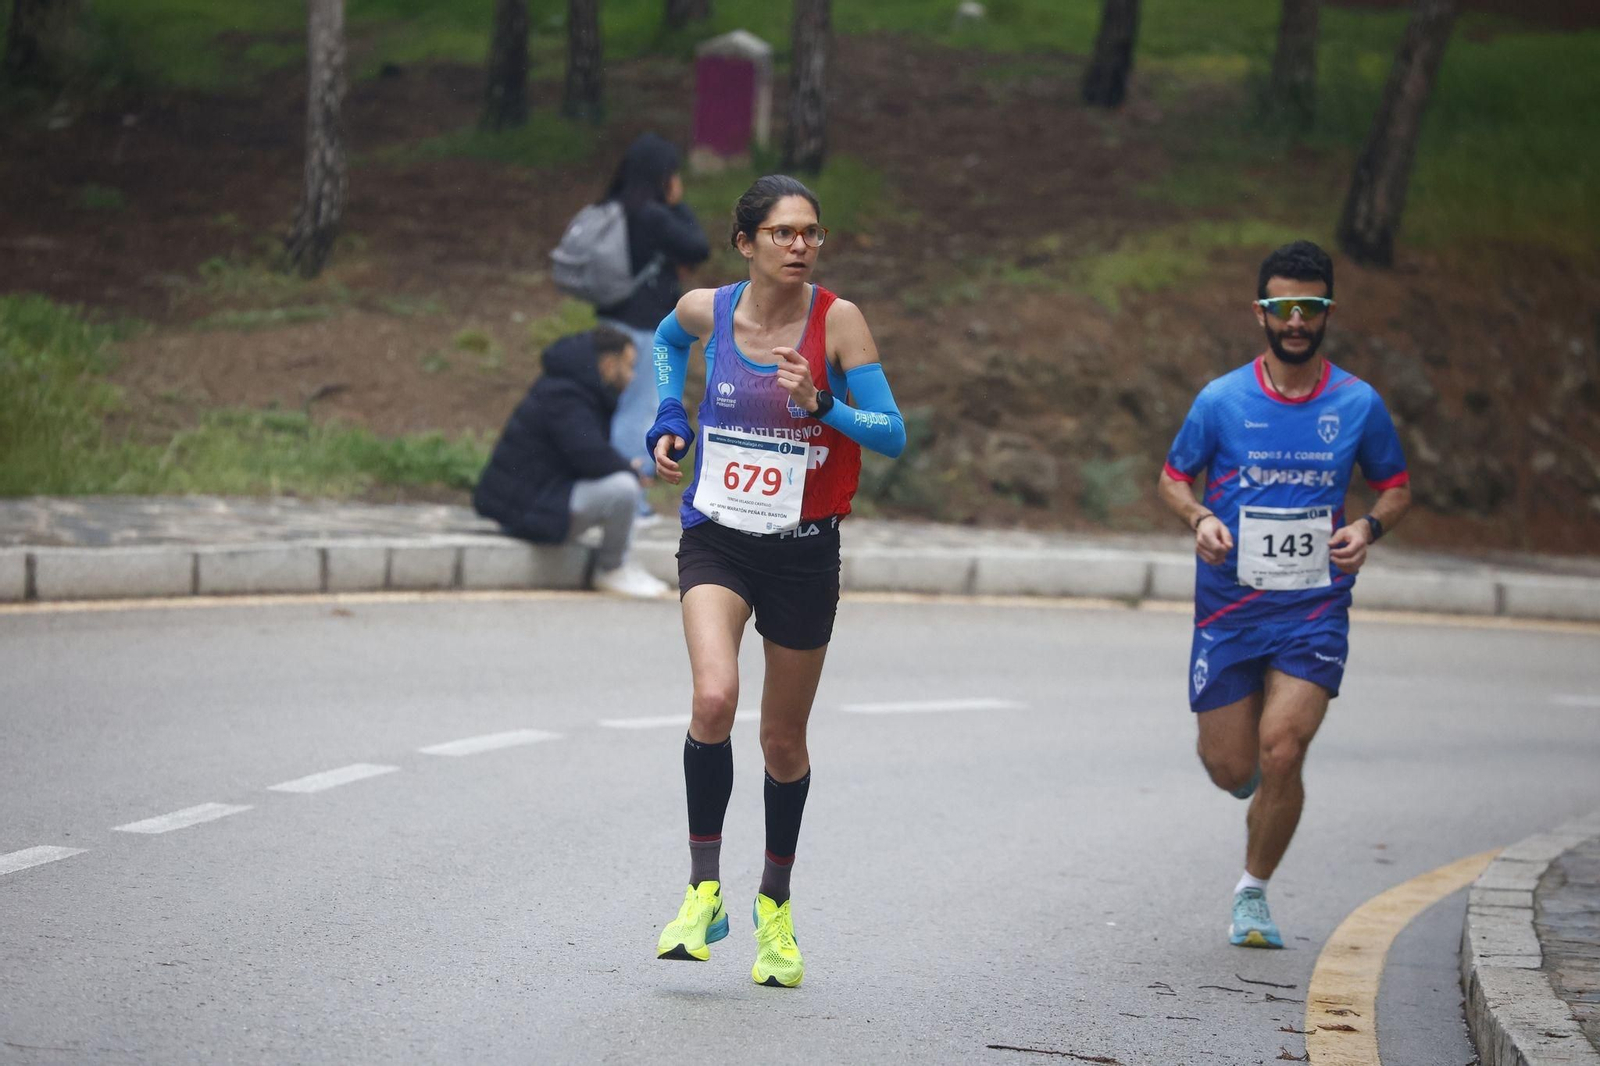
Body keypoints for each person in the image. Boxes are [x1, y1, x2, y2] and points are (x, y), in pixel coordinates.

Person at [645, 175, 907, 987]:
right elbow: (665, 341)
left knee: (783, 742)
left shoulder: (839, 321)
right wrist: (669, 414)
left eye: (811, 233)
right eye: (784, 233)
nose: (800, 246)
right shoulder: (709, 310)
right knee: (713, 699)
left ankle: (775, 906)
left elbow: (891, 433)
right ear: (746, 244)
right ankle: (702, 893)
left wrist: (822, 403)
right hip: (718, 538)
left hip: (803, 551)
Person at [1157, 240, 1412, 948]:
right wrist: (1199, 518)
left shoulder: (1357, 403)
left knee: (1283, 750)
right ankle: (1257, 788)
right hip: (1230, 608)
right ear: (1261, 312)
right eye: (1283, 307)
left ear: (1327, 312)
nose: (1296, 320)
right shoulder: (1222, 399)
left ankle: (1253, 892)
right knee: (1231, 768)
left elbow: (1396, 487)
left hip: (1314, 608)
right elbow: (1173, 477)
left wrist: (1367, 527)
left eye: (1310, 307)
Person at [472, 326, 669, 599]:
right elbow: (588, 454)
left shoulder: (570, 388)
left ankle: (621, 563)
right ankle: (612, 568)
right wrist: (630, 471)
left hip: (536, 499)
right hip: (529, 510)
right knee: (624, 487)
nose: (633, 375)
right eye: (629, 366)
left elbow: (586, 453)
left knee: (622, 480)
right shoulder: (566, 395)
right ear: (609, 364)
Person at [594, 133, 711, 525]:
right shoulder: (654, 215)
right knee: (638, 410)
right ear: (663, 176)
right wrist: (677, 204)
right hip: (642, 329)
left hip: (611, 322)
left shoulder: (613, 208)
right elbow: (697, 247)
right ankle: (629, 502)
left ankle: (611, 496)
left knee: (616, 409)